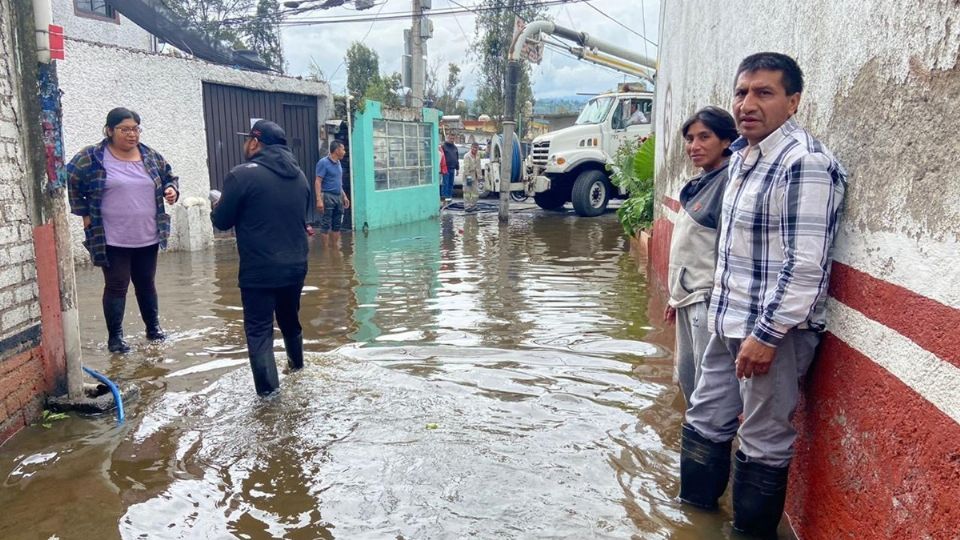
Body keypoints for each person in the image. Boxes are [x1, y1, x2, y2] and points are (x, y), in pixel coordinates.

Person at [679, 53, 847, 538]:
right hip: (727, 319)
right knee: (705, 417)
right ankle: (692, 519)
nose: (747, 103)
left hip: (774, 332)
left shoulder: (805, 163)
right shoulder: (744, 159)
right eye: (741, 92)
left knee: (763, 440)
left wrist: (767, 335)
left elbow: (805, 265)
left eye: (764, 93)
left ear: (793, 102)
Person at [211, 120, 312, 396]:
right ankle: (298, 371)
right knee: (290, 320)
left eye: (248, 140)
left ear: (255, 142)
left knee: (259, 331)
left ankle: (269, 401)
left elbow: (221, 221)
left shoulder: (241, 175)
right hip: (295, 266)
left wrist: (216, 203)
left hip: (260, 270)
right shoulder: (300, 176)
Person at [66, 107, 179, 354]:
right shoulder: (93, 156)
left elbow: (169, 176)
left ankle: (153, 329)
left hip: (148, 234)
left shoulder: (149, 155)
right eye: (125, 129)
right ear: (109, 130)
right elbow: (70, 179)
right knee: (117, 285)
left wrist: (171, 190)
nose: (132, 134)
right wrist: (84, 214)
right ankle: (115, 339)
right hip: (111, 236)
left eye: (135, 129)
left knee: (146, 283)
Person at [664, 107, 738, 405]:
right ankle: (689, 445)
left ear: (726, 141)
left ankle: (709, 448)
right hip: (688, 298)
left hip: (707, 302)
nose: (694, 146)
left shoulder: (730, 182)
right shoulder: (702, 182)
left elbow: (728, 250)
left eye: (704, 137)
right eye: (690, 138)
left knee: (707, 390)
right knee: (688, 380)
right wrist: (675, 296)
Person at [315, 141, 350, 248]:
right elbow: (318, 181)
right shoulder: (323, 162)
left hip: (338, 196)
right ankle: (325, 251)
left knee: (337, 224)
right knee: (326, 223)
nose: (344, 152)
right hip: (327, 196)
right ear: (337, 150)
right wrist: (318, 200)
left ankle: (334, 249)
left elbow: (338, 182)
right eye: (343, 149)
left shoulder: (339, 163)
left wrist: (344, 196)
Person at [461, 141, 483, 211]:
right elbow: (466, 167)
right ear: (471, 147)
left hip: (475, 175)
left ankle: (473, 205)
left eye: (476, 148)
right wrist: (468, 176)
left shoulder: (478, 155)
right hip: (468, 175)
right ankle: (467, 206)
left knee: (475, 192)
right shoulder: (467, 156)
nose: (475, 149)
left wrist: (480, 177)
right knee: (467, 191)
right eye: (474, 148)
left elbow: (479, 166)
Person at [440, 132, 459, 204]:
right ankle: (444, 199)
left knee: (451, 184)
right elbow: (441, 157)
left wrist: (457, 168)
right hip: (445, 168)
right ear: (447, 138)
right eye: (450, 138)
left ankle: (449, 198)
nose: (452, 140)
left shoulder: (455, 148)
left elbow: (456, 158)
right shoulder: (443, 147)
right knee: (445, 183)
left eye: (453, 138)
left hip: (452, 168)